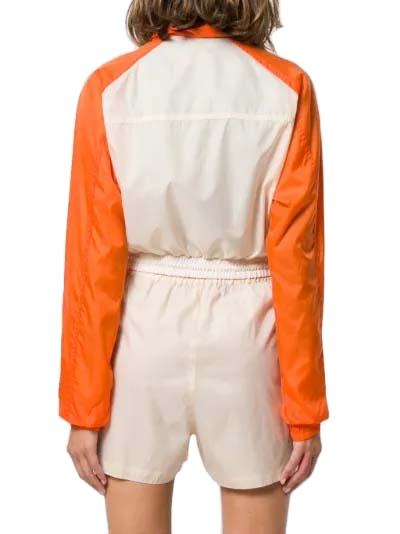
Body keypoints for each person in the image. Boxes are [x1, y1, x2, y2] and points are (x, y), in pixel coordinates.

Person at [58, 1, 329, 532]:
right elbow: (298, 264)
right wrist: (305, 408)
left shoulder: (111, 87)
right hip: (250, 331)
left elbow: (93, 259)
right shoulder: (288, 87)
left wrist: (83, 409)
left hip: (142, 330)